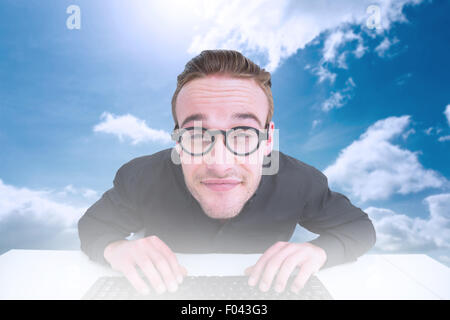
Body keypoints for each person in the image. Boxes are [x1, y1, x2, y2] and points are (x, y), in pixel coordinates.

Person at [78, 49, 376, 296]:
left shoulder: (301, 181)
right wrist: (114, 248)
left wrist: (320, 252)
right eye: (195, 134)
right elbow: (93, 225)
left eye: (244, 133)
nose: (219, 164)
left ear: (268, 140)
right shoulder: (141, 177)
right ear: (178, 140)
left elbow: (360, 228)